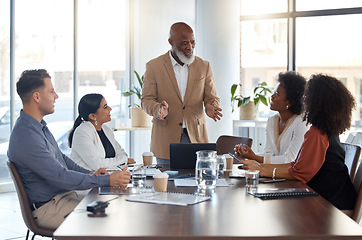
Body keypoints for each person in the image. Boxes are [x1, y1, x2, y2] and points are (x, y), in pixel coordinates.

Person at [7, 69, 131, 229]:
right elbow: (60, 176)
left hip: (61, 198)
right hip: (49, 208)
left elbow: (62, 159)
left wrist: (91, 174)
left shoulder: (39, 127)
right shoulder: (26, 136)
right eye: (51, 91)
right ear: (37, 97)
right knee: (109, 222)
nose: (56, 96)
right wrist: (107, 180)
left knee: (116, 208)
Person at [239, 74, 357, 212]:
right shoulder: (326, 131)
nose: (304, 101)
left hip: (333, 208)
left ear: (318, 102)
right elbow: (297, 166)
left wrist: (261, 169)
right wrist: (260, 167)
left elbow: (299, 174)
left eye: (307, 97)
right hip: (333, 200)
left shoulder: (316, 133)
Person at [141, 22, 223, 164]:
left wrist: (211, 106)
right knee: (167, 183)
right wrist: (158, 109)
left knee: (197, 180)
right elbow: (146, 100)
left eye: (192, 42)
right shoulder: (154, 66)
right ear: (170, 42)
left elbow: (212, 97)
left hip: (196, 137)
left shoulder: (204, 66)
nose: (190, 47)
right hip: (165, 139)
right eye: (184, 43)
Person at [235, 71, 309, 164]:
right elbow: (268, 153)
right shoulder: (272, 121)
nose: (272, 96)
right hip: (274, 175)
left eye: (277, 94)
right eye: (274, 92)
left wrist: (254, 157)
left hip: (292, 177)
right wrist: (249, 155)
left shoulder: (301, 123)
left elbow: (290, 159)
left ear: (289, 102)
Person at [69, 93, 135, 170]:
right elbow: (98, 165)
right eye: (105, 107)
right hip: (87, 179)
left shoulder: (106, 129)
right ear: (92, 116)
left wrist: (123, 159)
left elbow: (122, 153)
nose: (110, 109)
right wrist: (124, 160)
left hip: (105, 177)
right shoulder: (82, 132)